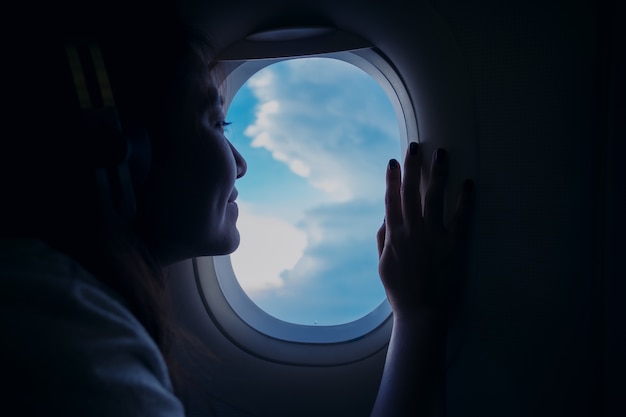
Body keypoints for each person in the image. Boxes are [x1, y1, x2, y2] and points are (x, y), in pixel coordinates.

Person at [0, 1, 474, 416]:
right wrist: (417, 318)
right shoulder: (67, 342)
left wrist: (415, 316)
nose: (241, 164)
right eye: (215, 120)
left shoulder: (52, 304)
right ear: (121, 149)